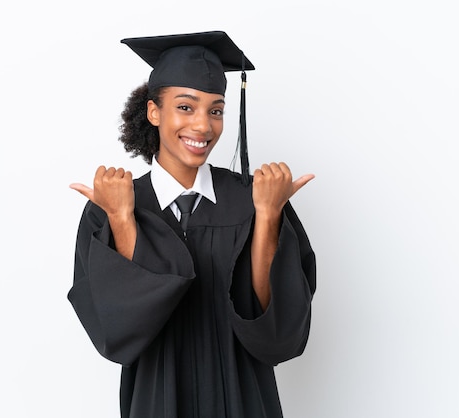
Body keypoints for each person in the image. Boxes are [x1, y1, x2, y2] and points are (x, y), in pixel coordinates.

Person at [67, 30, 316, 418]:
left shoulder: (255, 200)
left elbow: (281, 336)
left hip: (245, 403)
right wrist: (121, 218)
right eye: (186, 107)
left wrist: (268, 216)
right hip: (156, 404)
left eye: (215, 110)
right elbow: (116, 335)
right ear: (154, 112)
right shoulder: (110, 208)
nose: (203, 126)